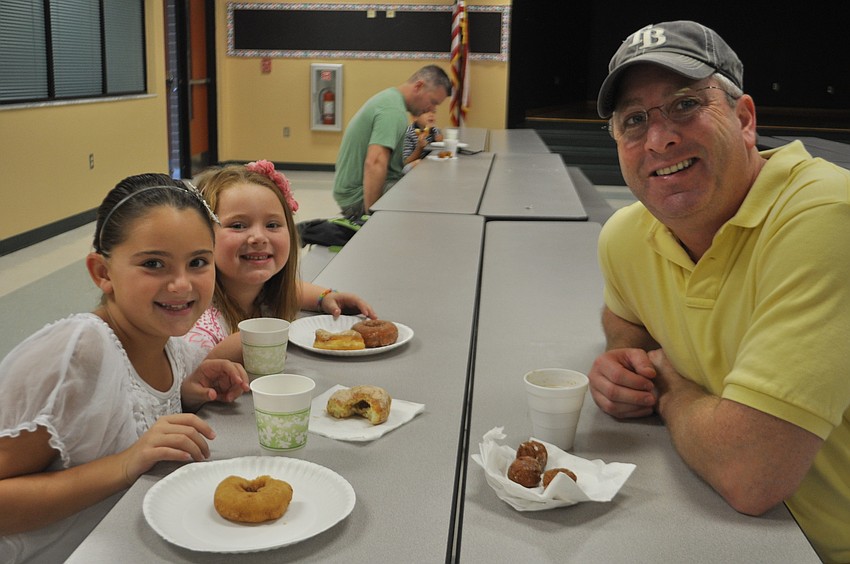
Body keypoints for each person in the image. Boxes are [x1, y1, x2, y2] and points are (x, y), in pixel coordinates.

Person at [588, 20, 850, 563]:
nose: (659, 138)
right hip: (713, 525)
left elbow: (750, 472)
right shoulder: (626, 236)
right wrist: (622, 359)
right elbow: (623, 319)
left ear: (745, 118)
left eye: (684, 105)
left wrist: (670, 389)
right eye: (634, 120)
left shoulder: (827, 218)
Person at [0, 174, 249, 563]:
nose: (182, 284)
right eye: (154, 264)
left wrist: (186, 393)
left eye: (198, 262)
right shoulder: (80, 350)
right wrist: (126, 462)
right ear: (102, 273)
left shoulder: (174, 350)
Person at [184, 160, 376, 360]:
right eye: (239, 225)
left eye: (272, 224)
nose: (258, 237)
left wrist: (325, 297)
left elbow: (290, 289)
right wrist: (219, 359)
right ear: (202, 235)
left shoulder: (262, 291)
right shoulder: (200, 330)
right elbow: (183, 386)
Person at [333, 65, 452, 216]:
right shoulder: (393, 110)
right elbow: (375, 162)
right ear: (419, 86)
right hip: (358, 198)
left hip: (359, 191)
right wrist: (372, 217)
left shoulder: (391, 100)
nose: (433, 109)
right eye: (433, 101)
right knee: (432, 200)